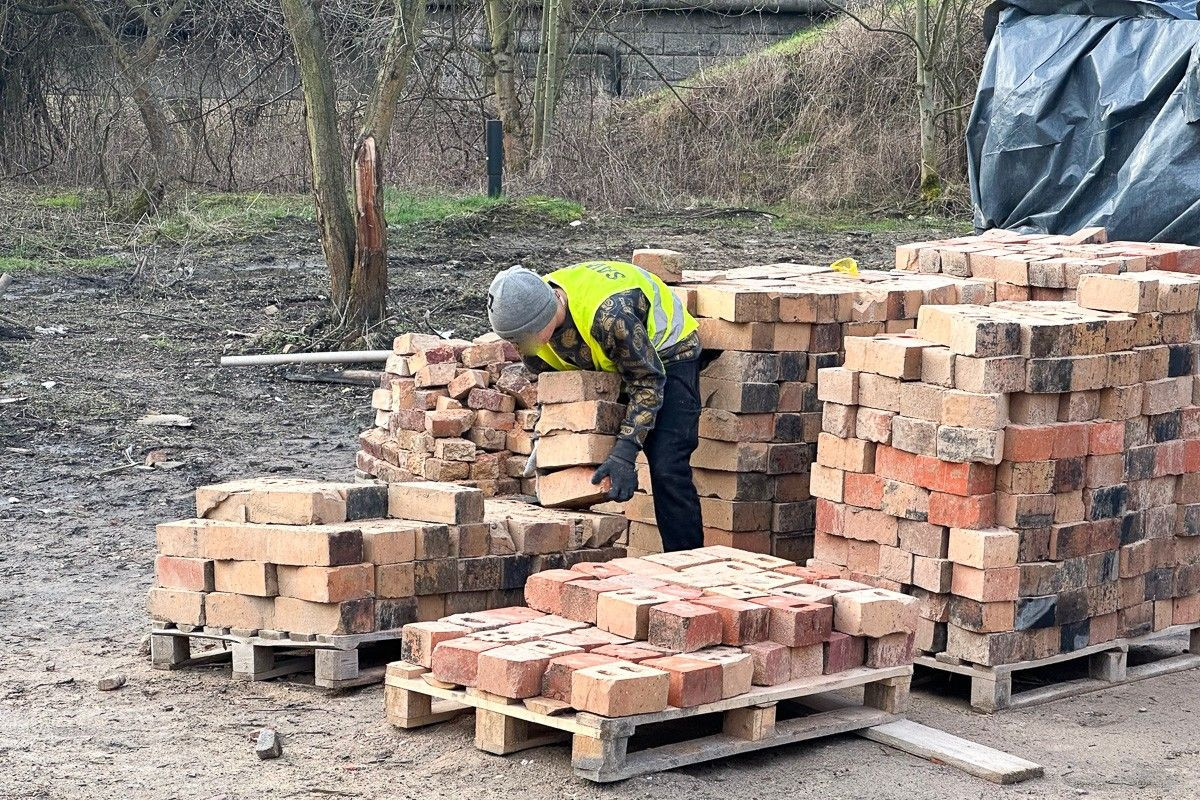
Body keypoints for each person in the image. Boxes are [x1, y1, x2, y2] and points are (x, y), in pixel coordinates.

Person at [487, 260, 704, 552]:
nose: (522, 349)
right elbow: (557, 391)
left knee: (667, 463)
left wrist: (625, 452)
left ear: (547, 314)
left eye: (525, 339)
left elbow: (646, 383)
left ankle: (688, 565)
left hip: (667, 355)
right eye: (514, 341)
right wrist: (549, 439)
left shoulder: (611, 315)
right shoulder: (532, 339)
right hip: (612, 360)